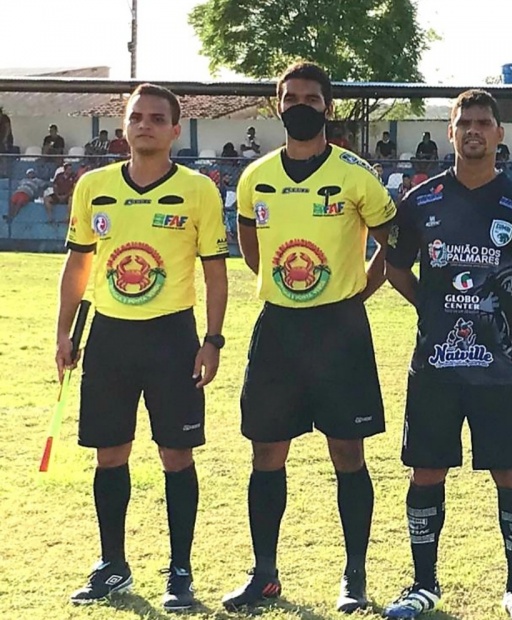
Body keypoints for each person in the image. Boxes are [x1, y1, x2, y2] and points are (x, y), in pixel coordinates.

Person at [381, 89, 512, 620]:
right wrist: (432, 307)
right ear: (450, 131)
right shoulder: (420, 201)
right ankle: (423, 584)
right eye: (464, 122)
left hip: (501, 371)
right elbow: (395, 267)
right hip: (435, 366)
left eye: (484, 123)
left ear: (498, 134)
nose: (474, 131)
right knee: (425, 471)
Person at [222, 62, 396, 614]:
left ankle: (355, 578)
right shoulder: (256, 177)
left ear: (327, 107)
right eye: (290, 96)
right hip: (278, 327)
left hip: (339, 328)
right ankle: (265, 574)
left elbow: (390, 240)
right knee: (266, 452)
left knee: (348, 452)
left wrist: (355, 293)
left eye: (311, 98)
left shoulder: (354, 173)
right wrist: (275, 282)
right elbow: (250, 244)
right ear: (278, 104)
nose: (299, 104)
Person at [57, 83, 229, 611]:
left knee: (176, 455)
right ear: (124, 127)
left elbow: (216, 275)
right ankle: (113, 566)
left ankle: (180, 572)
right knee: (110, 455)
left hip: (172, 337)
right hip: (109, 336)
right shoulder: (94, 186)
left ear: (176, 129)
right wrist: (63, 333)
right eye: (137, 117)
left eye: (158, 118)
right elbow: (78, 264)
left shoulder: (199, 190)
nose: (146, 125)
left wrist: (212, 340)